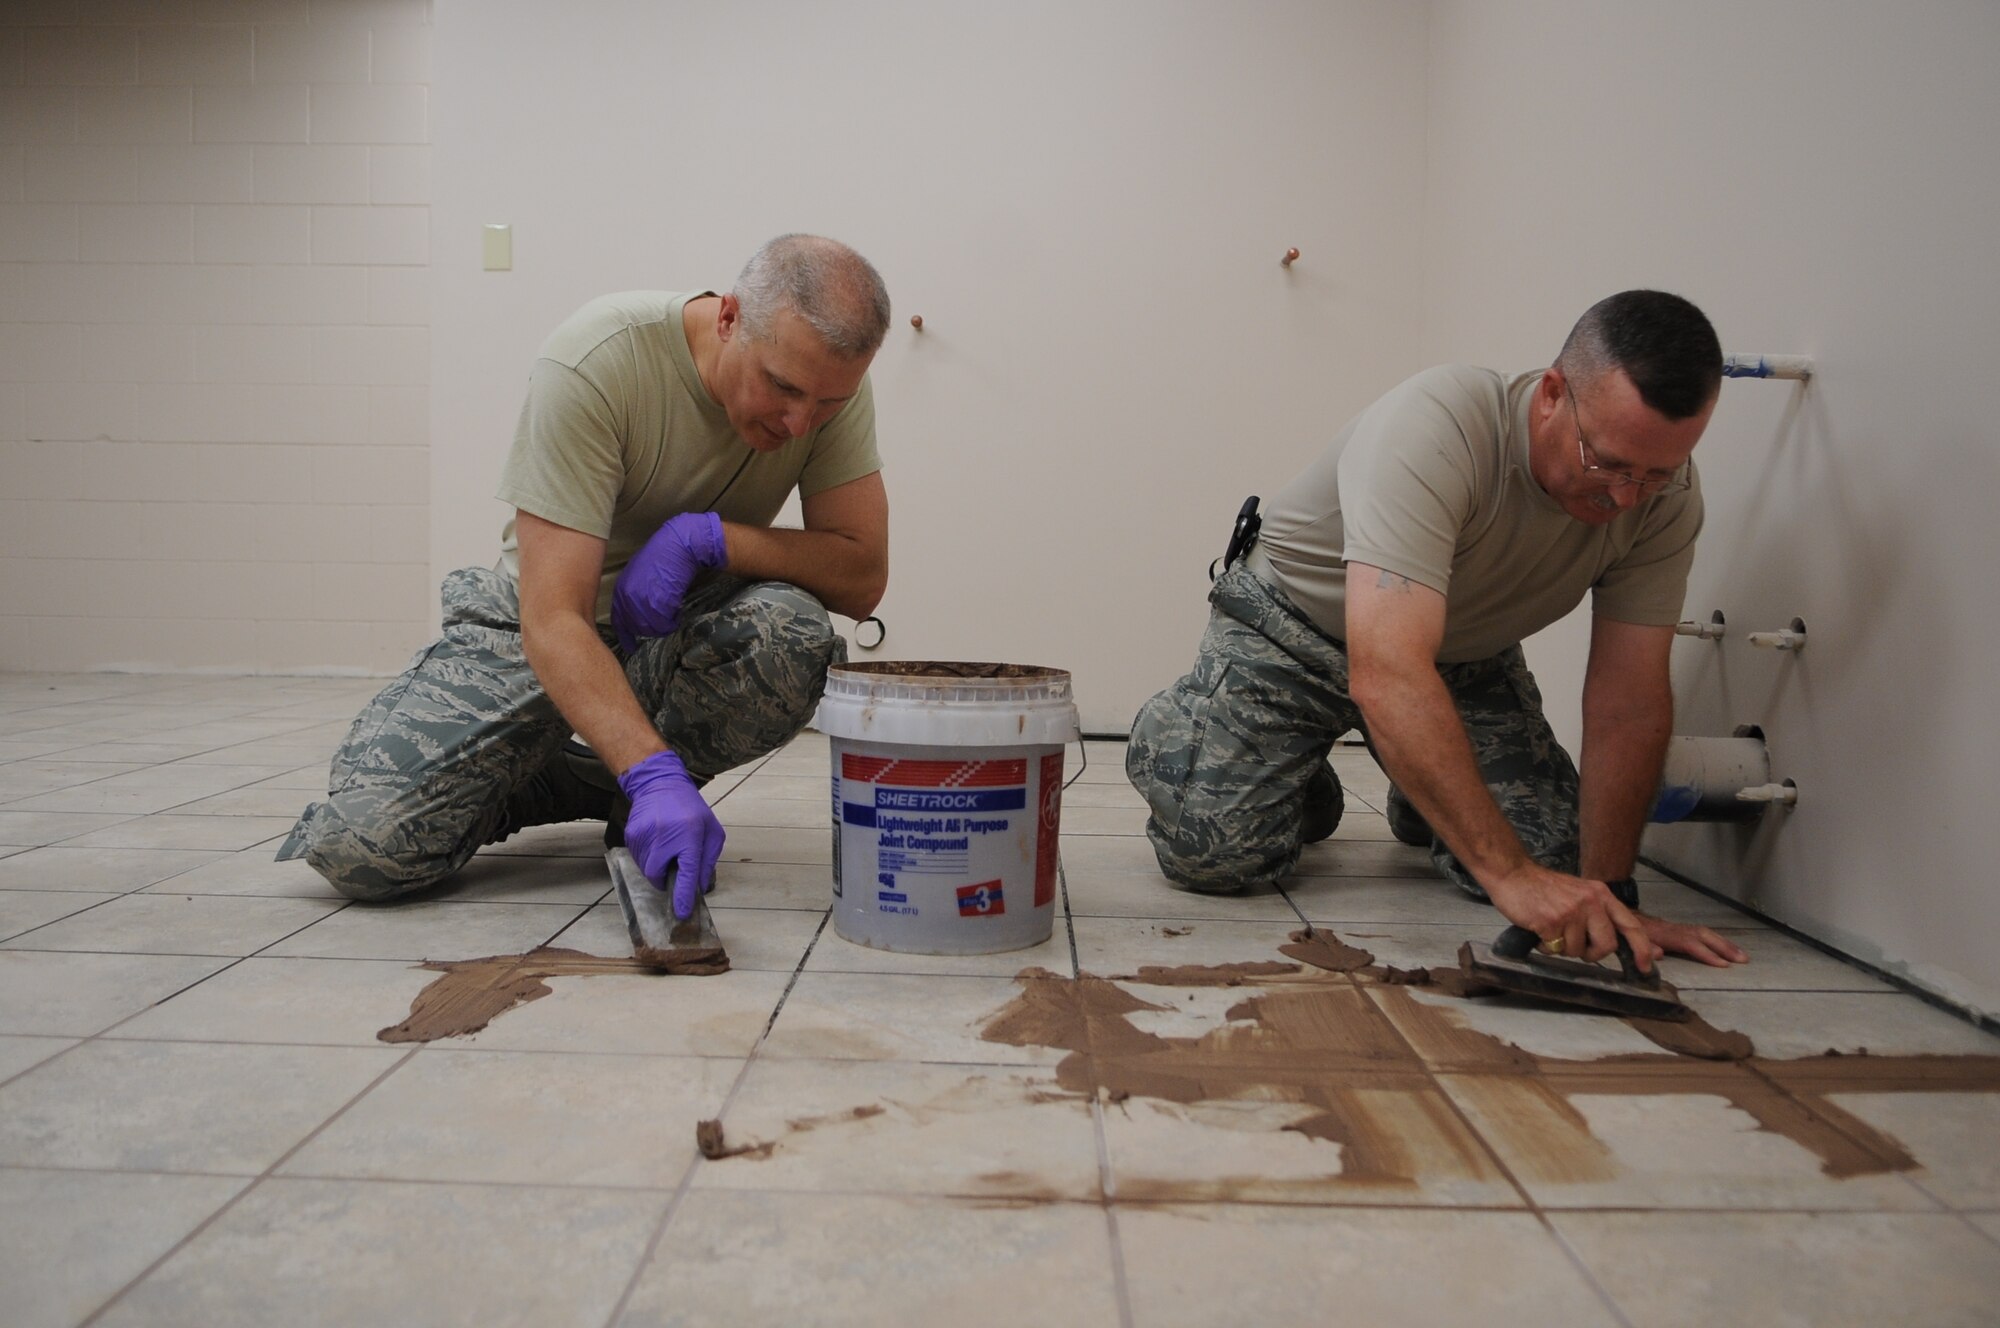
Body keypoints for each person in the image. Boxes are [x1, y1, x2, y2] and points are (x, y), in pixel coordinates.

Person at [1127, 290, 1749, 971]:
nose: (1626, 497)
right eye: (1607, 463)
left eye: (1656, 474)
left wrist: (1609, 896)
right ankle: (1225, 751)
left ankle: (1421, 788)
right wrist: (1509, 878)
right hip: (1289, 633)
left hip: (1457, 660)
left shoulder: (1666, 503)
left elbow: (1628, 702)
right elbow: (1386, 669)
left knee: (1559, 866)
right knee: (1212, 851)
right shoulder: (1435, 429)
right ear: (1551, 394)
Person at [280, 234, 891, 920]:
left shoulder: (827, 386)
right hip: (535, 632)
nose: (800, 421)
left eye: (827, 405)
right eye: (783, 388)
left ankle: (625, 786)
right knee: (366, 848)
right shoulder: (600, 360)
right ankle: (601, 769)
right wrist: (649, 767)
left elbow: (861, 573)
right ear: (728, 318)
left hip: (666, 638)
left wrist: (710, 539)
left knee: (791, 633)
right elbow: (552, 617)